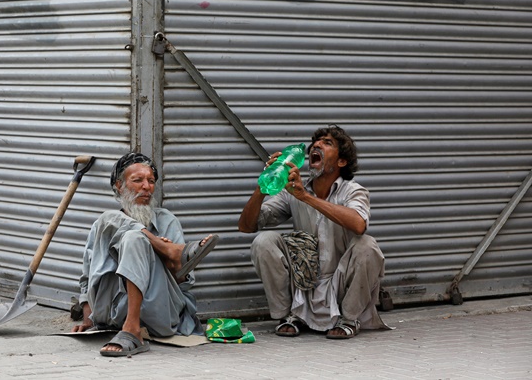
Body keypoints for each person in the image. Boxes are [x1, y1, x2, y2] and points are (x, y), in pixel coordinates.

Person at [238, 125, 390, 339]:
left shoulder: (353, 190)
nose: (316, 145)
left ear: (341, 162)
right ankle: (288, 316)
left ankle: (348, 318)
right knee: (264, 241)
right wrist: (264, 184)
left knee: (368, 246)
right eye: (316, 142)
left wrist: (306, 198)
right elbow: (246, 226)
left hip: (340, 283)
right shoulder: (293, 189)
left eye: (327, 143)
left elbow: (358, 224)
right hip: (304, 282)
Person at [72, 152, 218, 356]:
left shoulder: (167, 221)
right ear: (119, 186)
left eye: (151, 181)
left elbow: (182, 282)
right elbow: (87, 276)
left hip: (158, 312)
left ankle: (132, 329)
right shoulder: (103, 225)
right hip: (111, 313)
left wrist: (162, 260)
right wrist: (88, 319)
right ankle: (166, 248)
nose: (146, 187)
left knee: (134, 238)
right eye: (137, 180)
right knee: (111, 220)